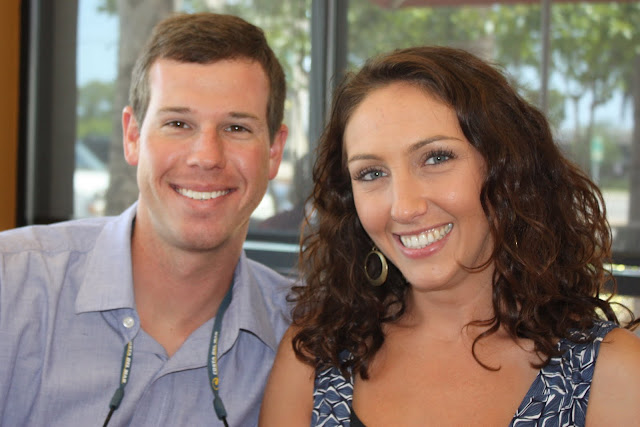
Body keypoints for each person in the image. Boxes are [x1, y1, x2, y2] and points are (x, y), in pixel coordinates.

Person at [259, 46, 640, 426]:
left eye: (436, 158)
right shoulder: (316, 357)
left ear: (509, 170)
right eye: (371, 173)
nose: (404, 208)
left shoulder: (609, 372)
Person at [0, 12, 292, 426]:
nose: (207, 156)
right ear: (132, 136)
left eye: (236, 128)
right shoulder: (13, 288)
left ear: (275, 152)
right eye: (178, 123)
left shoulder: (305, 338)